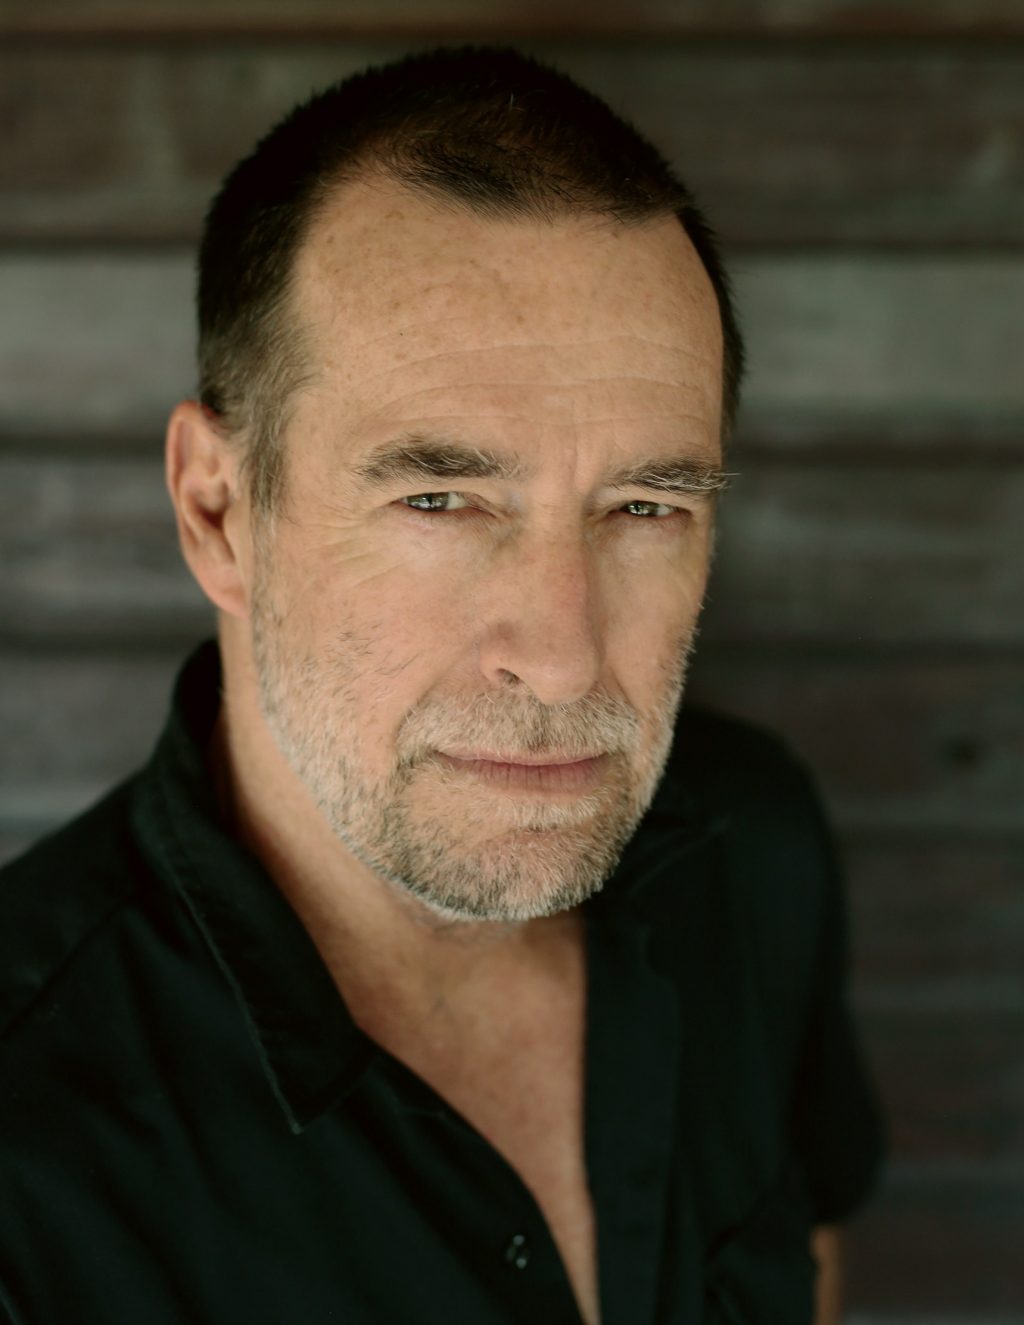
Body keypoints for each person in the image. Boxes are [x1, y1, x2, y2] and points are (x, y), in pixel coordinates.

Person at [0, 46, 883, 1325]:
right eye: (440, 499)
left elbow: (810, 1256)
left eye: (644, 505)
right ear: (218, 512)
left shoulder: (755, 846)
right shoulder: (28, 1147)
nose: (564, 656)